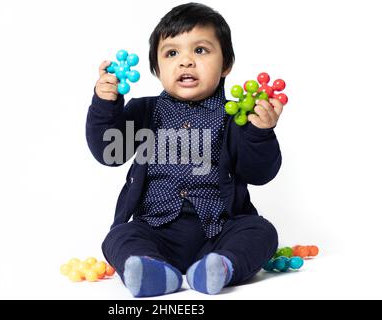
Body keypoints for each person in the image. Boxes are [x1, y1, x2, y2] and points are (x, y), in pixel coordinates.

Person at [86, 2, 283, 297]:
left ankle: (221, 267)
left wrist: (260, 133)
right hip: (154, 230)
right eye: (172, 53)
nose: (186, 62)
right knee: (119, 236)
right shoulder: (144, 111)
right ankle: (151, 271)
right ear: (157, 68)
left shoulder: (236, 119)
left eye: (200, 50)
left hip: (219, 232)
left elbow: (259, 173)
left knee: (262, 231)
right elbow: (107, 152)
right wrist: (106, 105)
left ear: (226, 64)